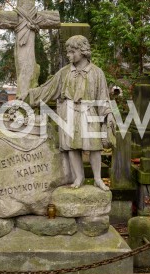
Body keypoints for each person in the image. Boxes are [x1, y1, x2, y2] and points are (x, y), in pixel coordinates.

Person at [23, 35, 115, 191]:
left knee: (94, 146)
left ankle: (98, 178)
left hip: (89, 111)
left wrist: (108, 114)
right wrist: (28, 96)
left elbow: (102, 97)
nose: (68, 55)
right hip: (69, 112)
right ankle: (79, 177)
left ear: (82, 51)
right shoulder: (64, 73)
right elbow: (47, 89)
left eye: (72, 51)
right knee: (72, 146)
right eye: (68, 52)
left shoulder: (96, 73)